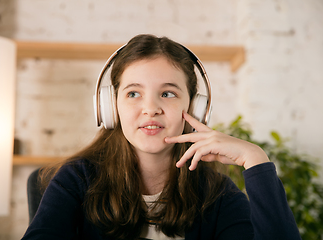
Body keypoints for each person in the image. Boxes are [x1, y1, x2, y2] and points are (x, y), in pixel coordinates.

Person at [21, 34, 302, 240]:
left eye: (168, 93)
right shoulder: (77, 180)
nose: (151, 108)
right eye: (133, 93)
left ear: (194, 108)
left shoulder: (215, 195)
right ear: (111, 107)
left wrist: (256, 160)